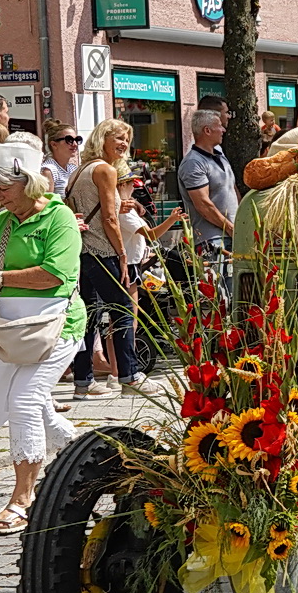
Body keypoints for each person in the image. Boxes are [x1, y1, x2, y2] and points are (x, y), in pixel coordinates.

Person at [0, 143, 88, 534]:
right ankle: (87, 456)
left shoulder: (60, 219)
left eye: (3, 187)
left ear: (28, 182)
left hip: (56, 325)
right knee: (29, 399)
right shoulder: (5, 222)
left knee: (23, 398)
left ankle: (22, 500)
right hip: (11, 329)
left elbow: (57, 275)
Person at [66, 118, 165, 398]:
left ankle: (83, 382)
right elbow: (109, 218)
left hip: (82, 251)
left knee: (88, 316)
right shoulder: (106, 170)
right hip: (103, 250)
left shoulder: (79, 170)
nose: (123, 144)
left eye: (126, 140)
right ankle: (130, 376)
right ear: (102, 138)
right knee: (122, 310)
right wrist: (122, 253)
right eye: (118, 138)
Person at [178, 108, 238, 292]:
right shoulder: (193, 163)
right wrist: (230, 228)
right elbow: (203, 204)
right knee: (220, 295)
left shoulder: (219, 154)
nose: (224, 130)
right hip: (212, 241)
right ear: (207, 130)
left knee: (236, 291)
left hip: (231, 234)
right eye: (219, 126)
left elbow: (232, 188)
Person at [42, 120, 81, 195]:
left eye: (77, 140)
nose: (75, 144)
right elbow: (46, 203)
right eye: (69, 140)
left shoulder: (73, 168)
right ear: (54, 145)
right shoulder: (48, 170)